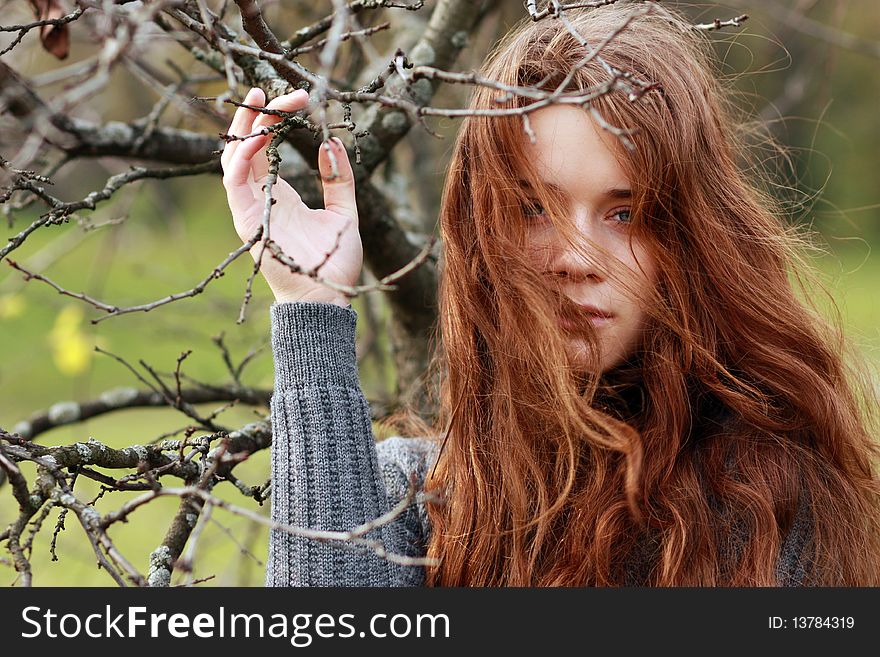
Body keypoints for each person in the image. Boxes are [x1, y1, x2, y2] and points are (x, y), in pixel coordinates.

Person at [221, 2, 880, 586]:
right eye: (535, 207)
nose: (575, 259)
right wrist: (313, 305)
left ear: (686, 242)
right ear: (483, 227)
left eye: (625, 214)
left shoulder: (769, 504)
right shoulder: (413, 502)